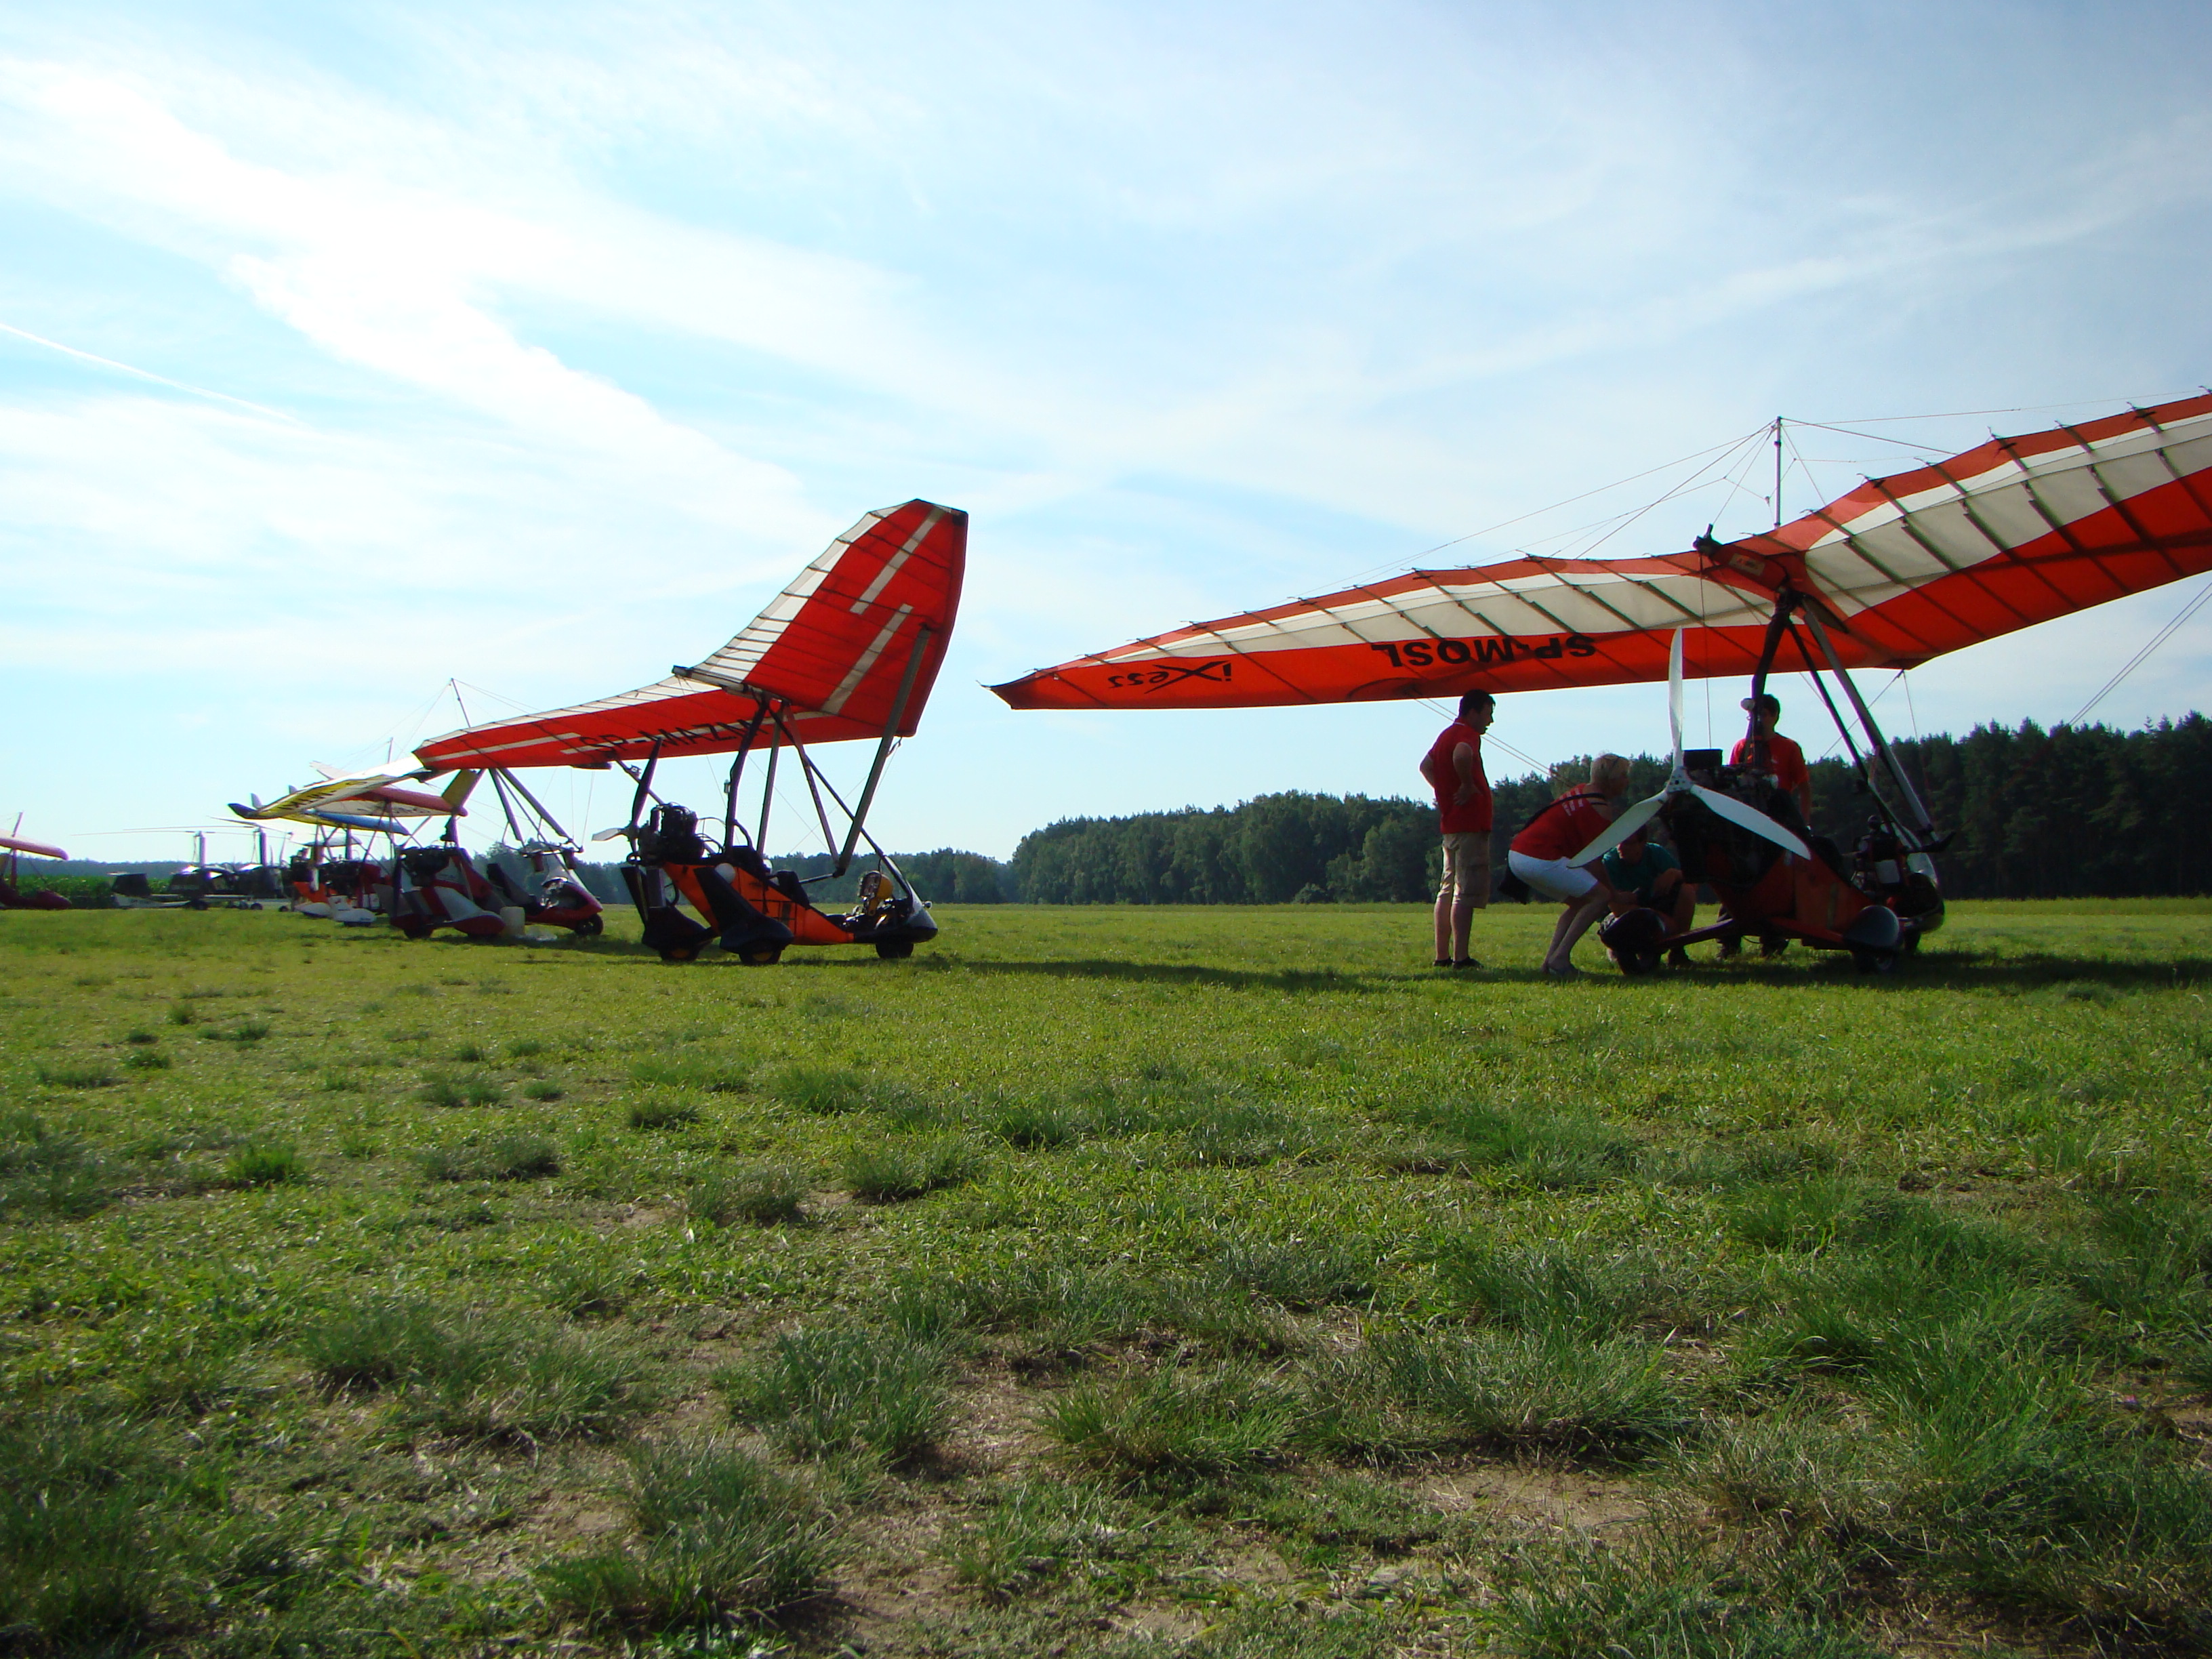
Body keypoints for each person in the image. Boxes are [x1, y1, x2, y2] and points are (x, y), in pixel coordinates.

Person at [1507, 754, 1631, 978]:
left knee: (1579, 902)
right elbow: (1594, 861)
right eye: (1623, 776)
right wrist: (1614, 895)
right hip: (1539, 857)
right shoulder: (1600, 809)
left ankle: (1550, 962)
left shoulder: (1582, 790)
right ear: (1611, 779)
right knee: (1600, 897)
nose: (1627, 781)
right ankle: (1560, 958)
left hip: (1518, 855)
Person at [1419, 691, 1494, 968]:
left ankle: (1442, 955)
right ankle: (1461, 957)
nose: (1490, 721)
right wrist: (1466, 785)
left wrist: (1442, 790)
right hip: (1470, 824)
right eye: (1487, 714)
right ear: (1473, 712)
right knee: (1465, 891)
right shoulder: (1467, 735)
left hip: (1451, 824)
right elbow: (1462, 754)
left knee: (1447, 888)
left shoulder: (1445, 735)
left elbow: (1426, 766)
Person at [1601, 829, 1694, 968]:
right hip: (1623, 915)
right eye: (1619, 842)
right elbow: (1617, 909)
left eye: (1628, 843)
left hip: (1655, 904)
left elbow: (1694, 881)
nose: (1621, 847)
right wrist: (1658, 918)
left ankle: (1678, 950)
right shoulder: (1610, 862)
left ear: (1642, 843)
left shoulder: (1655, 853)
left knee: (1687, 890)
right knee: (1623, 923)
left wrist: (1674, 873)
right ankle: (1624, 949)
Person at [1731, 693, 1814, 820]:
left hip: (1779, 814)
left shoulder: (1789, 747)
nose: (1758, 721)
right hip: (1748, 813)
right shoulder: (1742, 747)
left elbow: (1804, 787)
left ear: (1775, 717)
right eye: (1753, 716)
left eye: (1763, 715)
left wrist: (1804, 822)